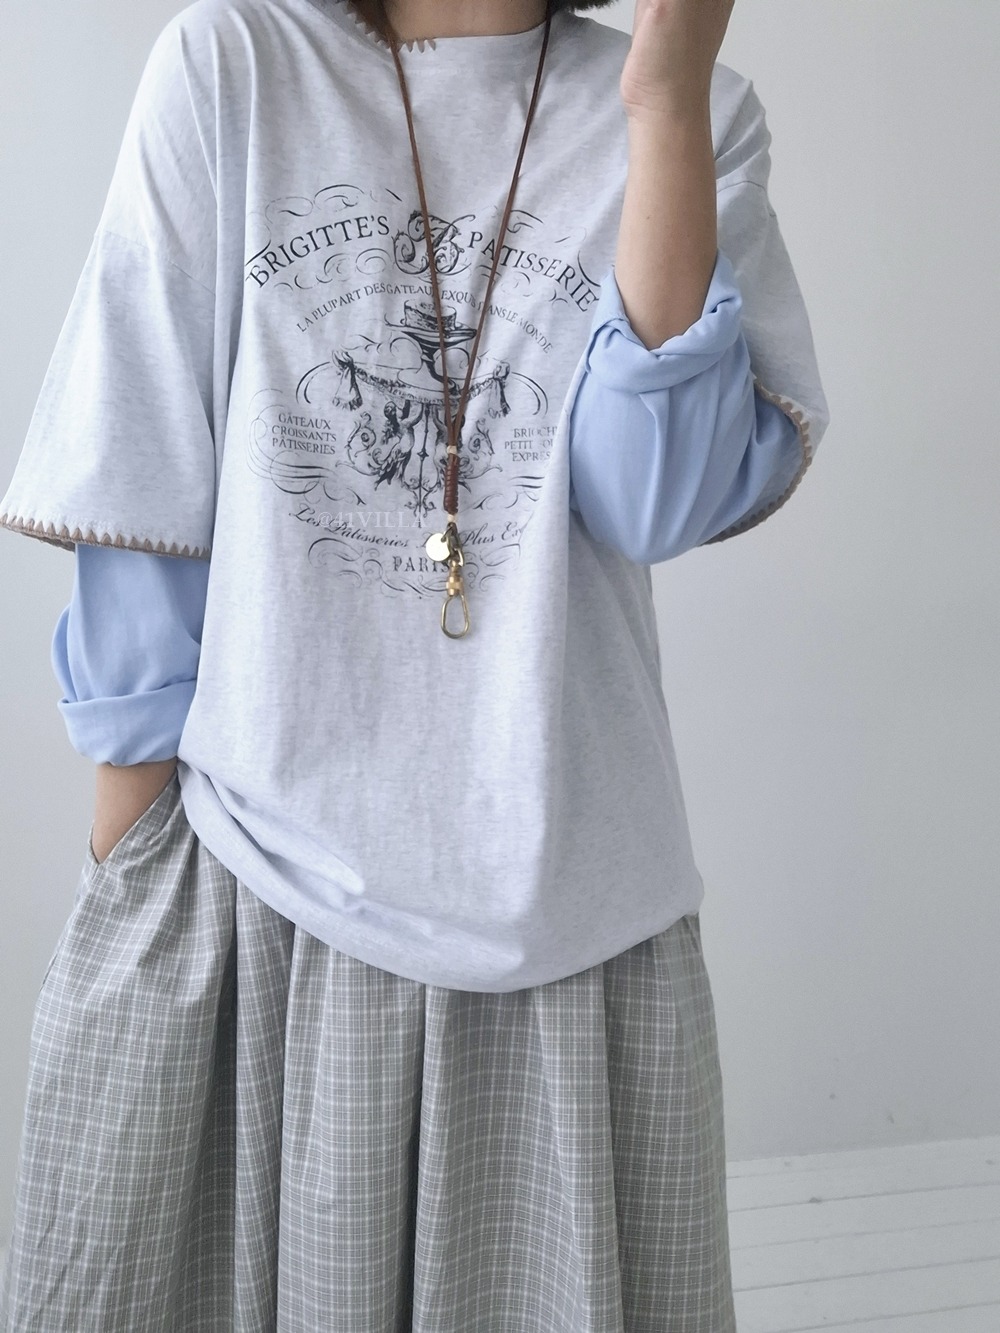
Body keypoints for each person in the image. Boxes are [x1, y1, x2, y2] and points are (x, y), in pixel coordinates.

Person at [0, 0, 830, 1327]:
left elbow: (650, 500)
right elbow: (142, 458)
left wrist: (665, 102)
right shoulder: (235, 65)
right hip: (264, 887)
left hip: (572, 917)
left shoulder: (693, 113)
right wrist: (134, 896)